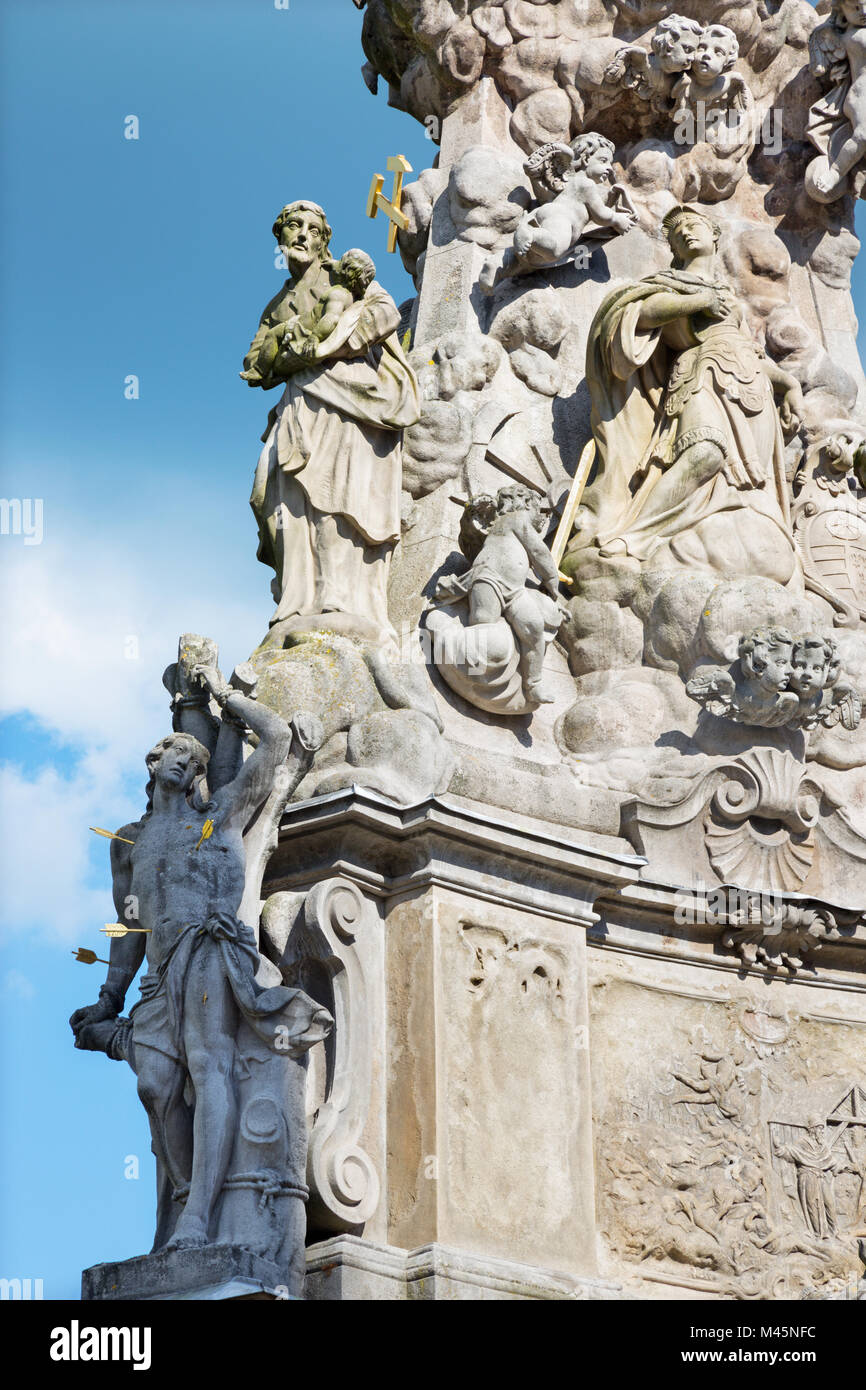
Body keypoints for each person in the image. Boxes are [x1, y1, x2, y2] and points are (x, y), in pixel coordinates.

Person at [70, 672, 331, 1250]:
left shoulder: (221, 816)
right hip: (160, 976)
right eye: (176, 755)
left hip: (211, 952)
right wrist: (111, 998)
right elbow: (130, 922)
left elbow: (277, 741)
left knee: (208, 1067)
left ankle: (197, 1220)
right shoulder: (129, 842)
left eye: (194, 762)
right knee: (156, 1086)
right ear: (155, 762)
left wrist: (224, 695)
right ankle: (191, 1194)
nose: (185, 765)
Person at [566, 205, 804, 583]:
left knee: (743, 481)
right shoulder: (671, 282)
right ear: (675, 249)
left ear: (714, 237)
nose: (687, 234)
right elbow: (639, 313)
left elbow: (743, 347)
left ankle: (712, 537)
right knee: (704, 452)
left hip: (747, 382)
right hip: (700, 372)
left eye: (694, 226)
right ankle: (632, 536)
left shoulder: (727, 295)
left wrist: (788, 383)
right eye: (678, 234)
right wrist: (697, 302)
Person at [242, 202, 419, 646]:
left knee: (335, 497)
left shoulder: (345, 274)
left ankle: (341, 598)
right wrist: (291, 342)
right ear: (280, 235)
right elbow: (253, 364)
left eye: (312, 229)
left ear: (324, 239)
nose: (302, 235)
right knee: (274, 499)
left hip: (348, 401)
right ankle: (296, 601)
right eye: (294, 227)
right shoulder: (276, 304)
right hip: (298, 402)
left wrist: (333, 344)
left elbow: (385, 313)